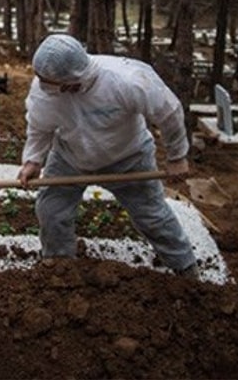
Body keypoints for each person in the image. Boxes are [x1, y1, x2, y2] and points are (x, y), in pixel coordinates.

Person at [17, 34, 198, 278]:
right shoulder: (44, 91)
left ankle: (185, 267)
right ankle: (59, 266)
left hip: (128, 158)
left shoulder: (127, 80)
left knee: (152, 215)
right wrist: (33, 160)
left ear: (70, 80)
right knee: (52, 210)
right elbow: (39, 127)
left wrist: (177, 156)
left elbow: (168, 112)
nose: (39, 83)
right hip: (70, 157)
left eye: (45, 80)